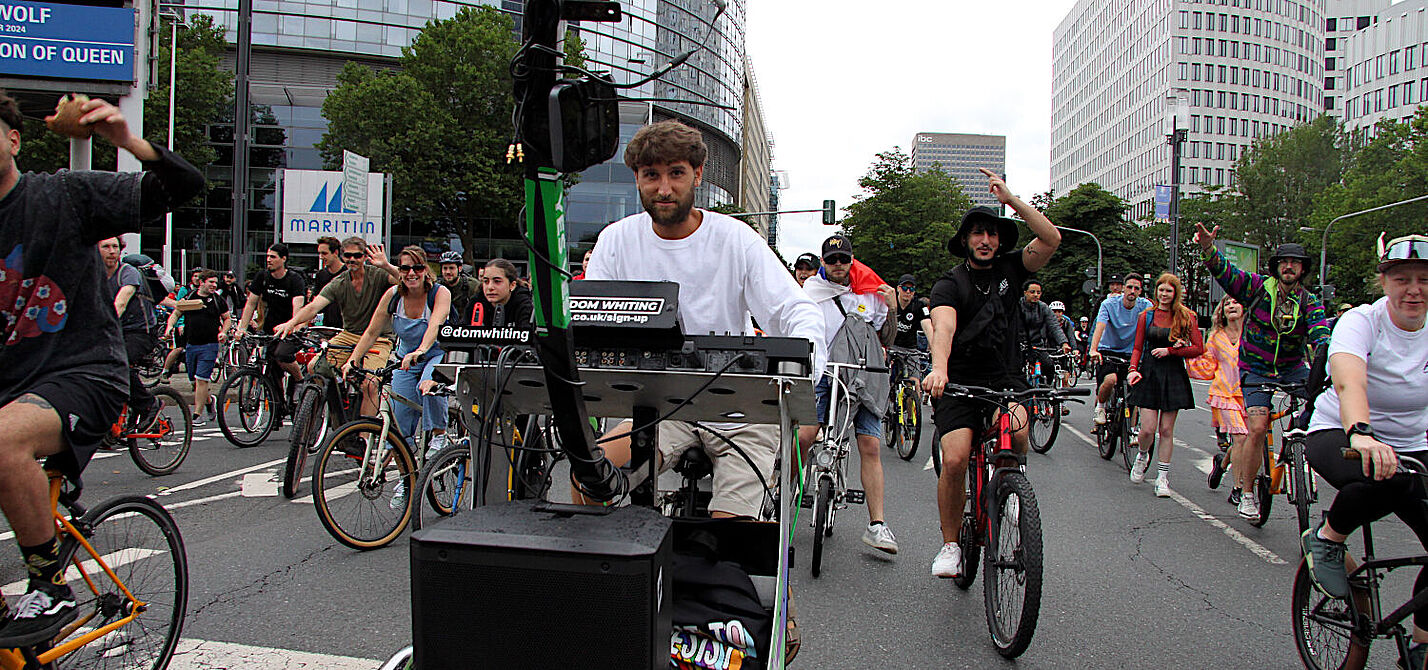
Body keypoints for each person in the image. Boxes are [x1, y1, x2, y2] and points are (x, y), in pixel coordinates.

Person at [0, 89, 202, 643]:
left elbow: (183, 188)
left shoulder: (60, 197)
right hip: (9, 390)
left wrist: (125, 139)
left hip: (83, 375)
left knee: (0, 439)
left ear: (14, 139)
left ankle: (48, 587)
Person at [577, 119, 825, 521]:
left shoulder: (736, 238)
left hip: (737, 408)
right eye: (651, 175)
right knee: (588, 477)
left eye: (676, 173)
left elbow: (793, 310)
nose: (663, 189)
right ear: (636, 178)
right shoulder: (616, 240)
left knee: (730, 533)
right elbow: (592, 319)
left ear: (697, 174)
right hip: (655, 405)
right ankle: (610, 577)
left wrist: (805, 372)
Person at [920, 168, 1063, 578]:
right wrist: (940, 370)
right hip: (959, 381)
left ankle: (1009, 492)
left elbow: (1051, 239)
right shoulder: (950, 284)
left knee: (1017, 433)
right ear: (966, 240)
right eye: (978, 233)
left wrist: (1012, 200)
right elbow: (943, 329)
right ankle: (951, 544)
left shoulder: (1012, 270)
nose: (986, 240)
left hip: (1005, 378)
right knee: (957, 458)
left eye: (993, 233)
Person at [1300, 232, 1428, 666]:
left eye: (1424, 279)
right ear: (1384, 282)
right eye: (1402, 279)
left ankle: (1422, 639)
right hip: (1340, 431)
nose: (1414, 290)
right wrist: (1361, 430)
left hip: (1413, 443)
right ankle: (1327, 539)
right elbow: (1348, 378)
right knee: (1384, 476)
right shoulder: (1362, 321)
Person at [1194, 223, 1330, 522]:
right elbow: (1227, 274)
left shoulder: (1309, 302)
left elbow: (1321, 335)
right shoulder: (1257, 287)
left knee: (1323, 398)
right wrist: (1207, 248)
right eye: (1284, 262)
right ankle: (1245, 493)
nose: (1290, 267)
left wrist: (1331, 359)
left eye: (1295, 263)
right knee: (1257, 427)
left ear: (1303, 269)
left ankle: (1298, 441)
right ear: (1276, 267)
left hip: (1292, 368)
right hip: (1255, 369)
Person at [799, 234, 900, 554]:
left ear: (851, 260)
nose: (839, 265)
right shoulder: (810, 292)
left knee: (870, 445)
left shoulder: (871, 294)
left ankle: (878, 526)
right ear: (823, 263)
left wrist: (893, 308)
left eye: (845, 259)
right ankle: (783, 496)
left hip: (865, 376)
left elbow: (887, 335)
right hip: (824, 374)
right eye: (832, 260)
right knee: (804, 436)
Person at [344, 246, 452, 510]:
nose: (411, 273)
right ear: (400, 271)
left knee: (430, 384)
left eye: (417, 268)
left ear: (426, 270)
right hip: (406, 359)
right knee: (401, 426)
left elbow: (436, 324)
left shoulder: (440, 293)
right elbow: (371, 332)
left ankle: (439, 435)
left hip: (436, 352)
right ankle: (406, 481)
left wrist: (422, 350)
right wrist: (353, 360)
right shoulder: (392, 296)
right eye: (405, 268)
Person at [274, 238, 398, 416]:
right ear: (342, 256)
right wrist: (291, 323)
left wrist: (386, 265)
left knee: (370, 383)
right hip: (349, 334)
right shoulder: (339, 282)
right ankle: (333, 410)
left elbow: (405, 280)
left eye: (357, 255)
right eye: (348, 255)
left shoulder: (377, 274)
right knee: (314, 367)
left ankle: (364, 438)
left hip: (378, 338)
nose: (352, 259)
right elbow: (314, 306)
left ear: (364, 257)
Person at [1125, 273, 1204, 496]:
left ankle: (1162, 477)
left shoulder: (1186, 316)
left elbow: (1199, 348)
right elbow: (1138, 347)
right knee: (1147, 429)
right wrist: (1133, 370)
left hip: (1173, 374)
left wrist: (1172, 350)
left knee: (1167, 429)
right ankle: (1142, 454)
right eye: (1161, 290)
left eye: (1169, 290)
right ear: (1156, 291)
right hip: (1149, 372)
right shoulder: (1146, 316)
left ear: (1175, 293)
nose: (1164, 294)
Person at [1188, 295, 1251, 512]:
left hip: (1249, 393)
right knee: (1241, 438)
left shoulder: (1253, 335)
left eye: (1236, 302)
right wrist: (1187, 356)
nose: (1232, 305)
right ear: (1222, 312)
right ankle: (1239, 489)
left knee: (1246, 441)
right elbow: (1207, 366)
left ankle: (1222, 464)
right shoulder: (1215, 338)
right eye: (1227, 304)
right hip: (1224, 394)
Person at [99, 238, 164, 434]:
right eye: (106, 247)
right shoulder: (94, 274)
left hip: (140, 332)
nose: (112, 251)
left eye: (115, 247)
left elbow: (120, 303)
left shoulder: (127, 272)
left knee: (119, 364)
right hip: (114, 331)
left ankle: (148, 405)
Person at [237, 243, 307, 421]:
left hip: (290, 328)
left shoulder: (294, 279)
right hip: (269, 328)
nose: (268, 259)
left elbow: (298, 307)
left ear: (283, 259)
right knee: (269, 367)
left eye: (273, 256)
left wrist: (292, 326)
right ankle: (278, 407)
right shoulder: (262, 277)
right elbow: (251, 303)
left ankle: (299, 379)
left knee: (281, 356)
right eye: (267, 256)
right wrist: (242, 328)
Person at [164, 270, 230, 426]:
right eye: (211, 282)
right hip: (191, 345)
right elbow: (176, 313)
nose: (214, 285)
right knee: (195, 382)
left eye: (215, 282)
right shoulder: (190, 298)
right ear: (202, 283)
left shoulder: (217, 300)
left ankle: (197, 415)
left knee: (201, 380)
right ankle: (208, 401)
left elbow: (226, 318)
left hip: (210, 345)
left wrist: (224, 332)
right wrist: (169, 327)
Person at [1088, 273, 1154, 425]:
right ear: (1123, 288)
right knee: (1110, 380)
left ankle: (1132, 430)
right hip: (1108, 349)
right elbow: (1100, 326)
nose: (1132, 291)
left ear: (1140, 291)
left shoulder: (1145, 306)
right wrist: (1093, 349)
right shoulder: (1108, 304)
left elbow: (1154, 327)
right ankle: (1101, 407)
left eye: (1136, 288)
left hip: (1132, 352)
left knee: (1134, 387)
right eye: (1129, 287)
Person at [1019, 279, 1071, 384]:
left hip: (1037, 344)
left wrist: (1064, 343)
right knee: (1015, 369)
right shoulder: (1017, 306)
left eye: (1038, 292)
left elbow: (1054, 326)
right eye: (1032, 292)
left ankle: (1045, 391)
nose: (1035, 295)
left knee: (1049, 366)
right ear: (1025, 293)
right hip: (1019, 344)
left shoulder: (1043, 308)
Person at [479, 258, 534, 326]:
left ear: (512, 285)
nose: (490, 287)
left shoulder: (524, 305)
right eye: (486, 281)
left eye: (497, 281)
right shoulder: (476, 303)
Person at [311, 236, 345, 330]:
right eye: (320, 253)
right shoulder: (321, 275)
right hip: (326, 327)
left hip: (345, 327)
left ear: (335, 253)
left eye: (324, 253)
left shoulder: (348, 273)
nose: (321, 257)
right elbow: (315, 304)